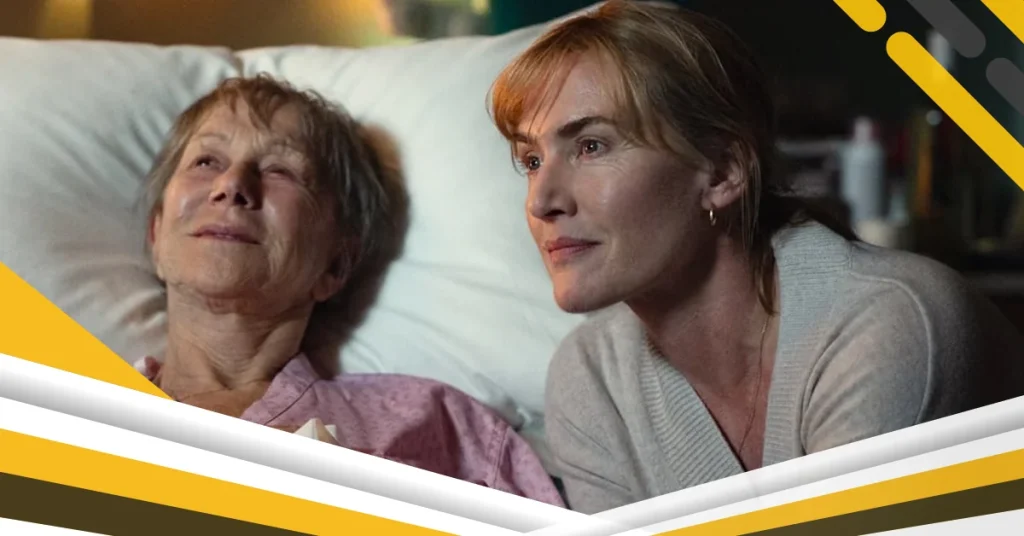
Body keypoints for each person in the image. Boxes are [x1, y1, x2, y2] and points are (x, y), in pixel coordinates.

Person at [488, 0, 1024, 514]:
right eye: (531, 160)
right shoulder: (591, 378)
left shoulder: (889, 326)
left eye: (591, 146)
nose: (541, 201)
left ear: (723, 172)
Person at [136, 74, 564, 506]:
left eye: (279, 170)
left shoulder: (441, 427)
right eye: (206, 162)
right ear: (156, 235)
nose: (231, 185)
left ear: (336, 264)